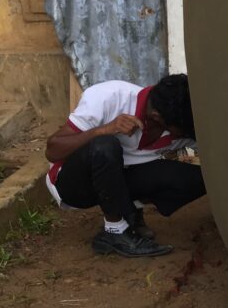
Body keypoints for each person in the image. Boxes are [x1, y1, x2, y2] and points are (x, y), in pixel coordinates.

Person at [44, 75, 204, 258]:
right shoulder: (109, 96)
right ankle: (115, 231)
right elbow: (52, 150)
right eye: (183, 130)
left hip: (118, 179)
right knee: (105, 145)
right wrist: (103, 130)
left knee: (201, 178)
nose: (187, 135)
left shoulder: (178, 122)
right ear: (157, 117)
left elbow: (215, 154)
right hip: (74, 184)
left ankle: (128, 212)